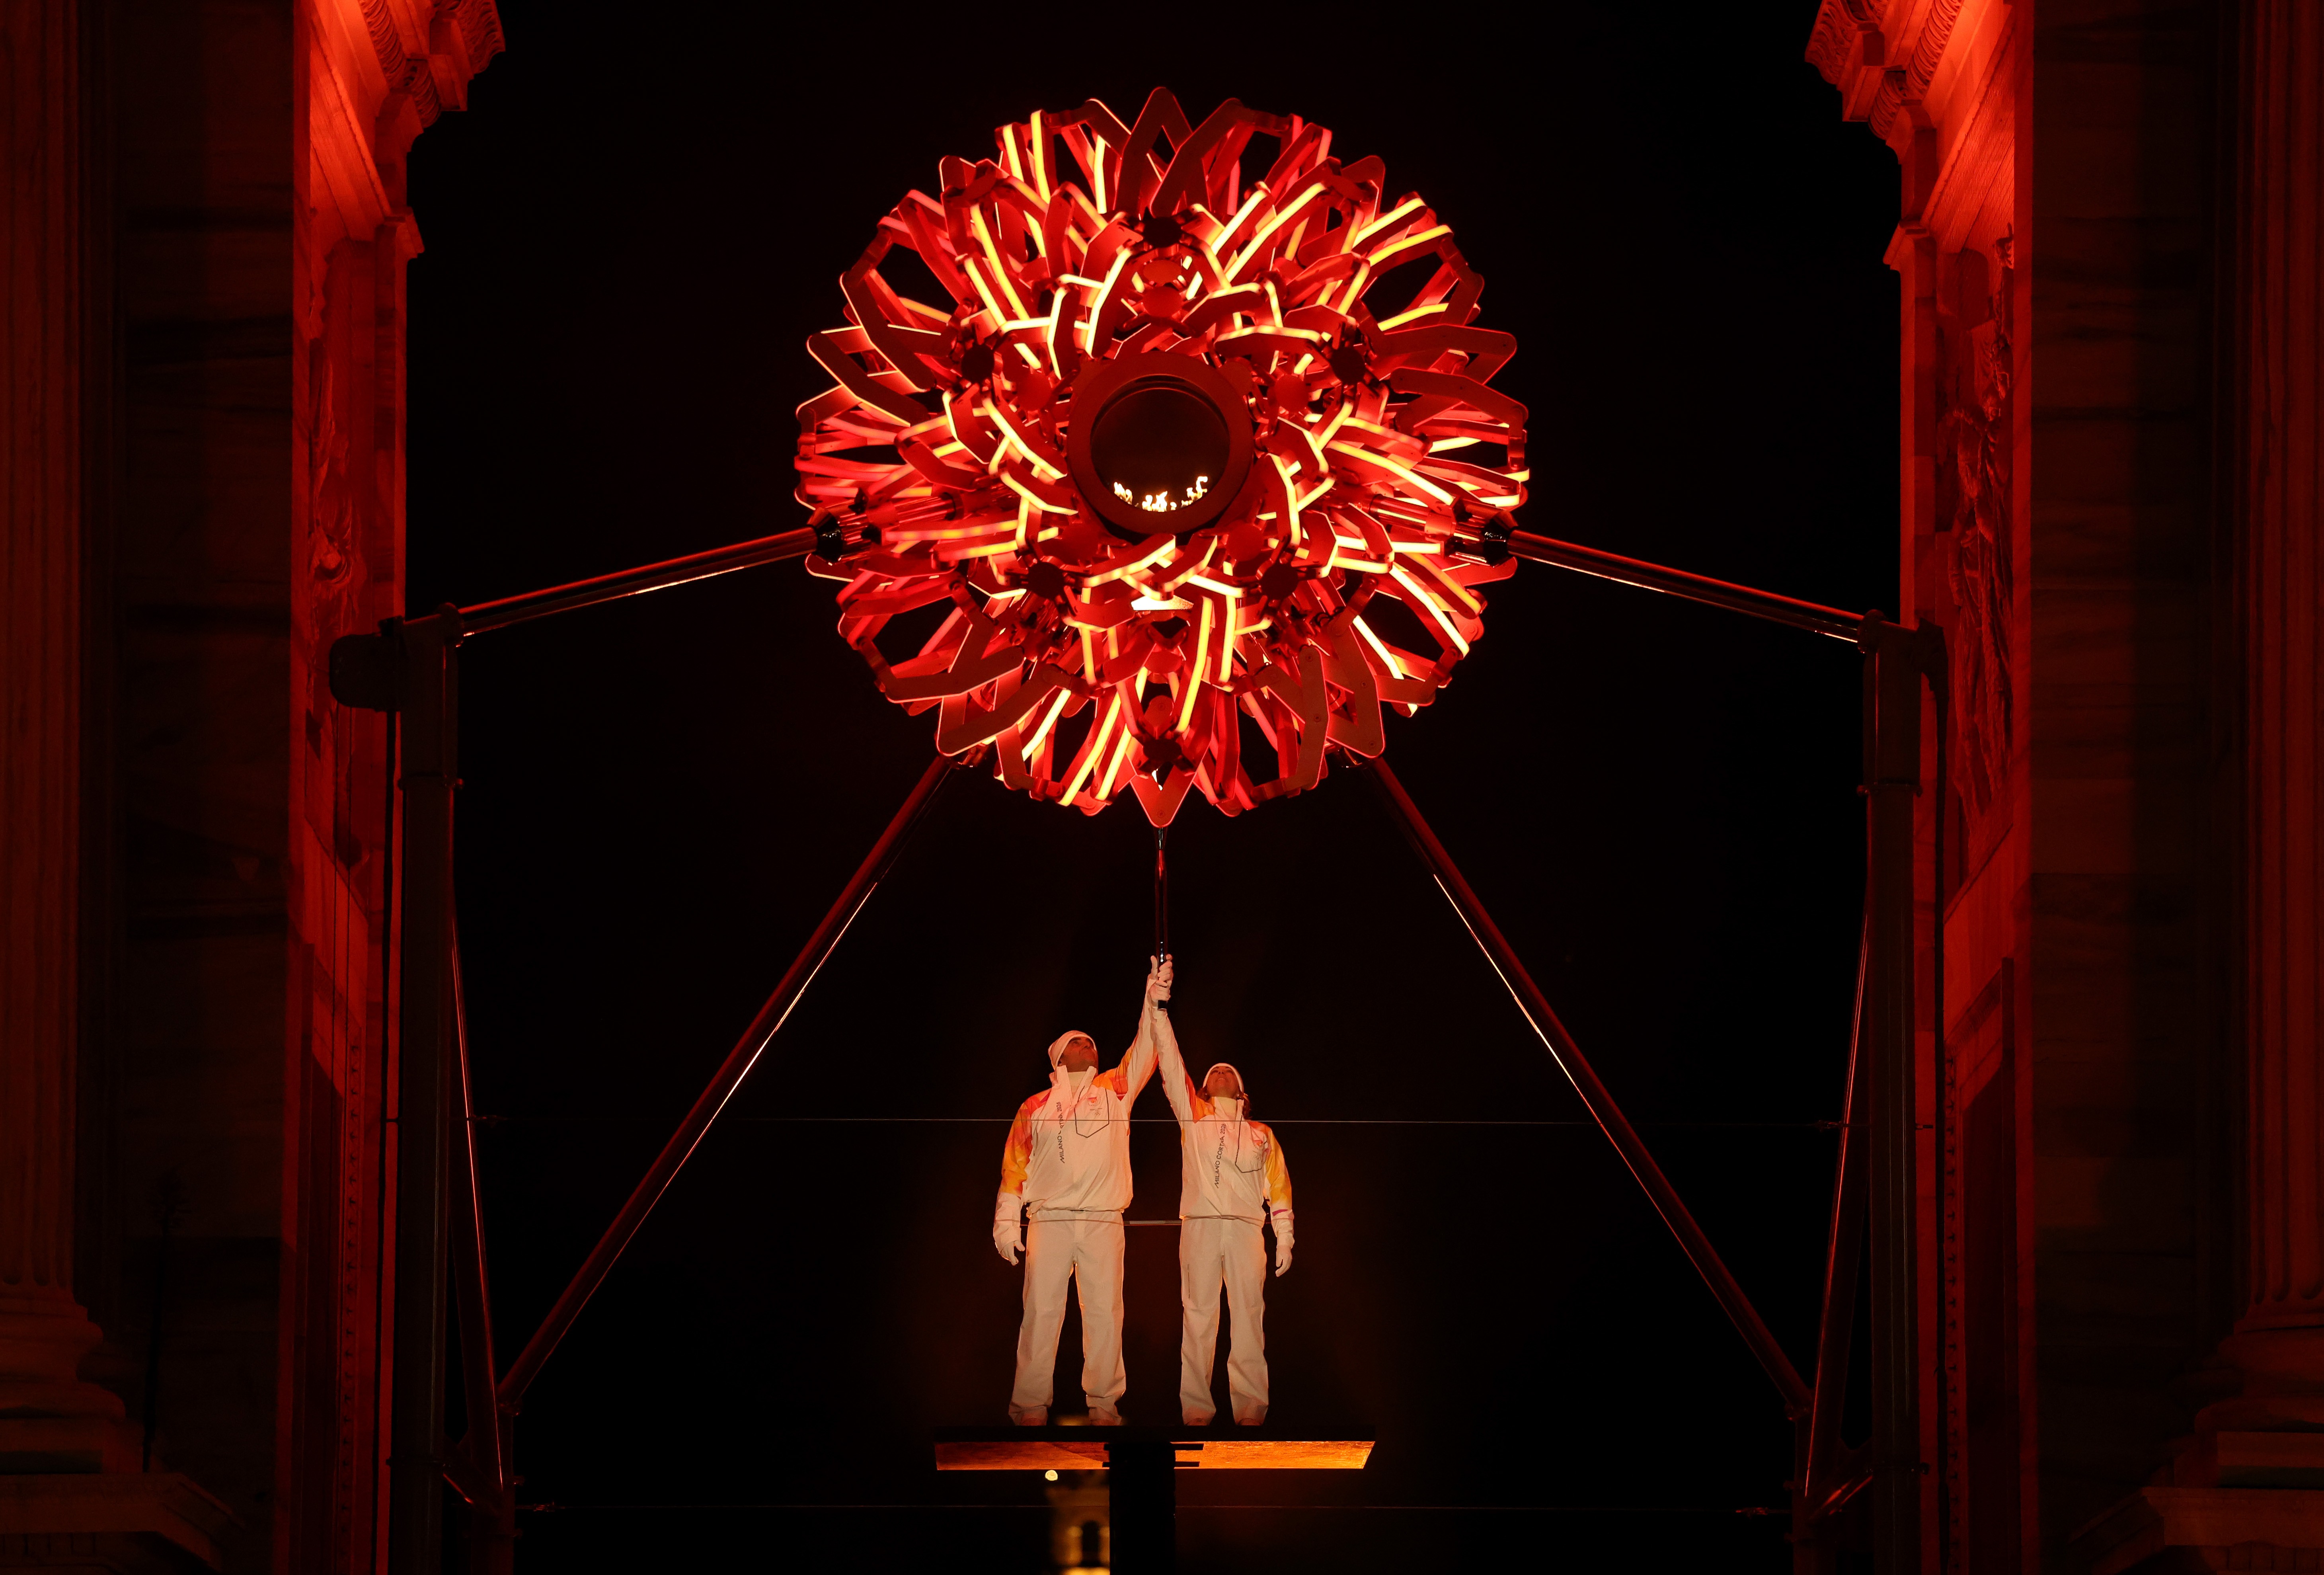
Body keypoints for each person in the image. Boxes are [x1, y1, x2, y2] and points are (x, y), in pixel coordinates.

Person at [992, 958, 1170, 1426]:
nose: (1086, 1043)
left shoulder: (1115, 1089)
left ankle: (1104, 1404)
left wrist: (1153, 1000)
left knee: (1106, 1314)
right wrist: (1006, 1222)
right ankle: (1029, 1406)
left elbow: (1145, 1048)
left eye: (1090, 1041)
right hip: (1048, 1219)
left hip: (1102, 1218)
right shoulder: (1034, 1107)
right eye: (1076, 1041)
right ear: (1057, 1057)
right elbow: (1014, 1166)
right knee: (1041, 1311)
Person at [1150, 984, 1294, 1428]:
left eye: (1227, 1072)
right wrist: (1158, 1011)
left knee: (1249, 1317)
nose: (1219, 1074)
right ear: (1206, 1088)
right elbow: (1172, 1066)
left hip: (1248, 1230)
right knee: (1198, 1317)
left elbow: (1280, 1187)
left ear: (1241, 1089)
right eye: (1212, 1073)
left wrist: (1284, 1235)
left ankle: (1251, 1413)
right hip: (1200, 1227)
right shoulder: (1193, 1117)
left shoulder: (1261, 1134)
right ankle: (1196, 1412)